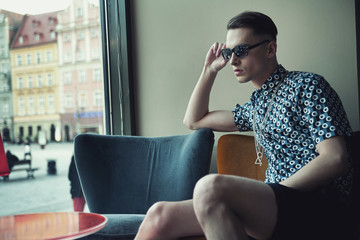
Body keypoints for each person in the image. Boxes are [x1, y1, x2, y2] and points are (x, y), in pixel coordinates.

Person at [135, 11, 356, 240]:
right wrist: (209, 70)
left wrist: (276, 190)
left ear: (270, 49)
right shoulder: (257, 107)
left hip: (320, 204)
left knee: (209, 187)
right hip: (274, 203)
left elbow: (335, 160)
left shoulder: (309, 86)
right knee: (159, 215)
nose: (232, 60)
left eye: (240, 51)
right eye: (229, 53)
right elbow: (194, 120)